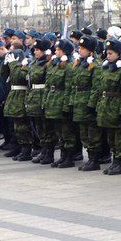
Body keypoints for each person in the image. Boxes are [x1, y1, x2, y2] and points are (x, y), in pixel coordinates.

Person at [91, 38, 121, 175]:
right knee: (111, 138)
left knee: (120, 138)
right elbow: (100, 89)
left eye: (111, 53)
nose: (108, 56)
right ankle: (114, 161)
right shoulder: (106, 69)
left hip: (117, 108)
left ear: (118, 54)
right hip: (107, 108)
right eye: (107, 53)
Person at [69, 35, 103, 171]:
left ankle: (94, 160)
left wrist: (91, 104)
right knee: (84, 133)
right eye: (79, 48)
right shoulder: (79, 63)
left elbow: (97, 86)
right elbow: (73, 84)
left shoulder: (95, 64)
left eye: (83, 48)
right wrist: (72, 102)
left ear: (90, 51)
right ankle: (89, 157)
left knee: (92, 133)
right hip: (79, 103)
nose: (80, 50)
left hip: (88, 103)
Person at [44, 39, 77, 168]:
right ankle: (63, 156)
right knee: (59, 131)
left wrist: (66, 105)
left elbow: (69, 87)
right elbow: (49, 84)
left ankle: (69, 157)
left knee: (67, 131)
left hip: (62, 100)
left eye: (58, 49)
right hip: (53, 100)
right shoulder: (54, 64)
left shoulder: (69, 65)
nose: (56, 51)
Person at [1, 43, 29, 160]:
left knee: (22, 126)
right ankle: (17, 147)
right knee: (14, 126)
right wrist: (5, 64)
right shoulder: (13, 65)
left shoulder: (25, 64)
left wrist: (13, 64)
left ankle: (26, 149)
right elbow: (3, 75)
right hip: (13, 96)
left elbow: (19, 77)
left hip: (21, 96)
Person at [27, 38, 53, 164]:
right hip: (34, 97)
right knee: (38, 126)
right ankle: (44, 150)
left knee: (46, 126)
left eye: (38, 50)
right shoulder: (35, 63)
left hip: (43, 97)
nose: (36, 52)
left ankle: (49, 152)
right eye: (35, 50)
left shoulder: (48, 64)